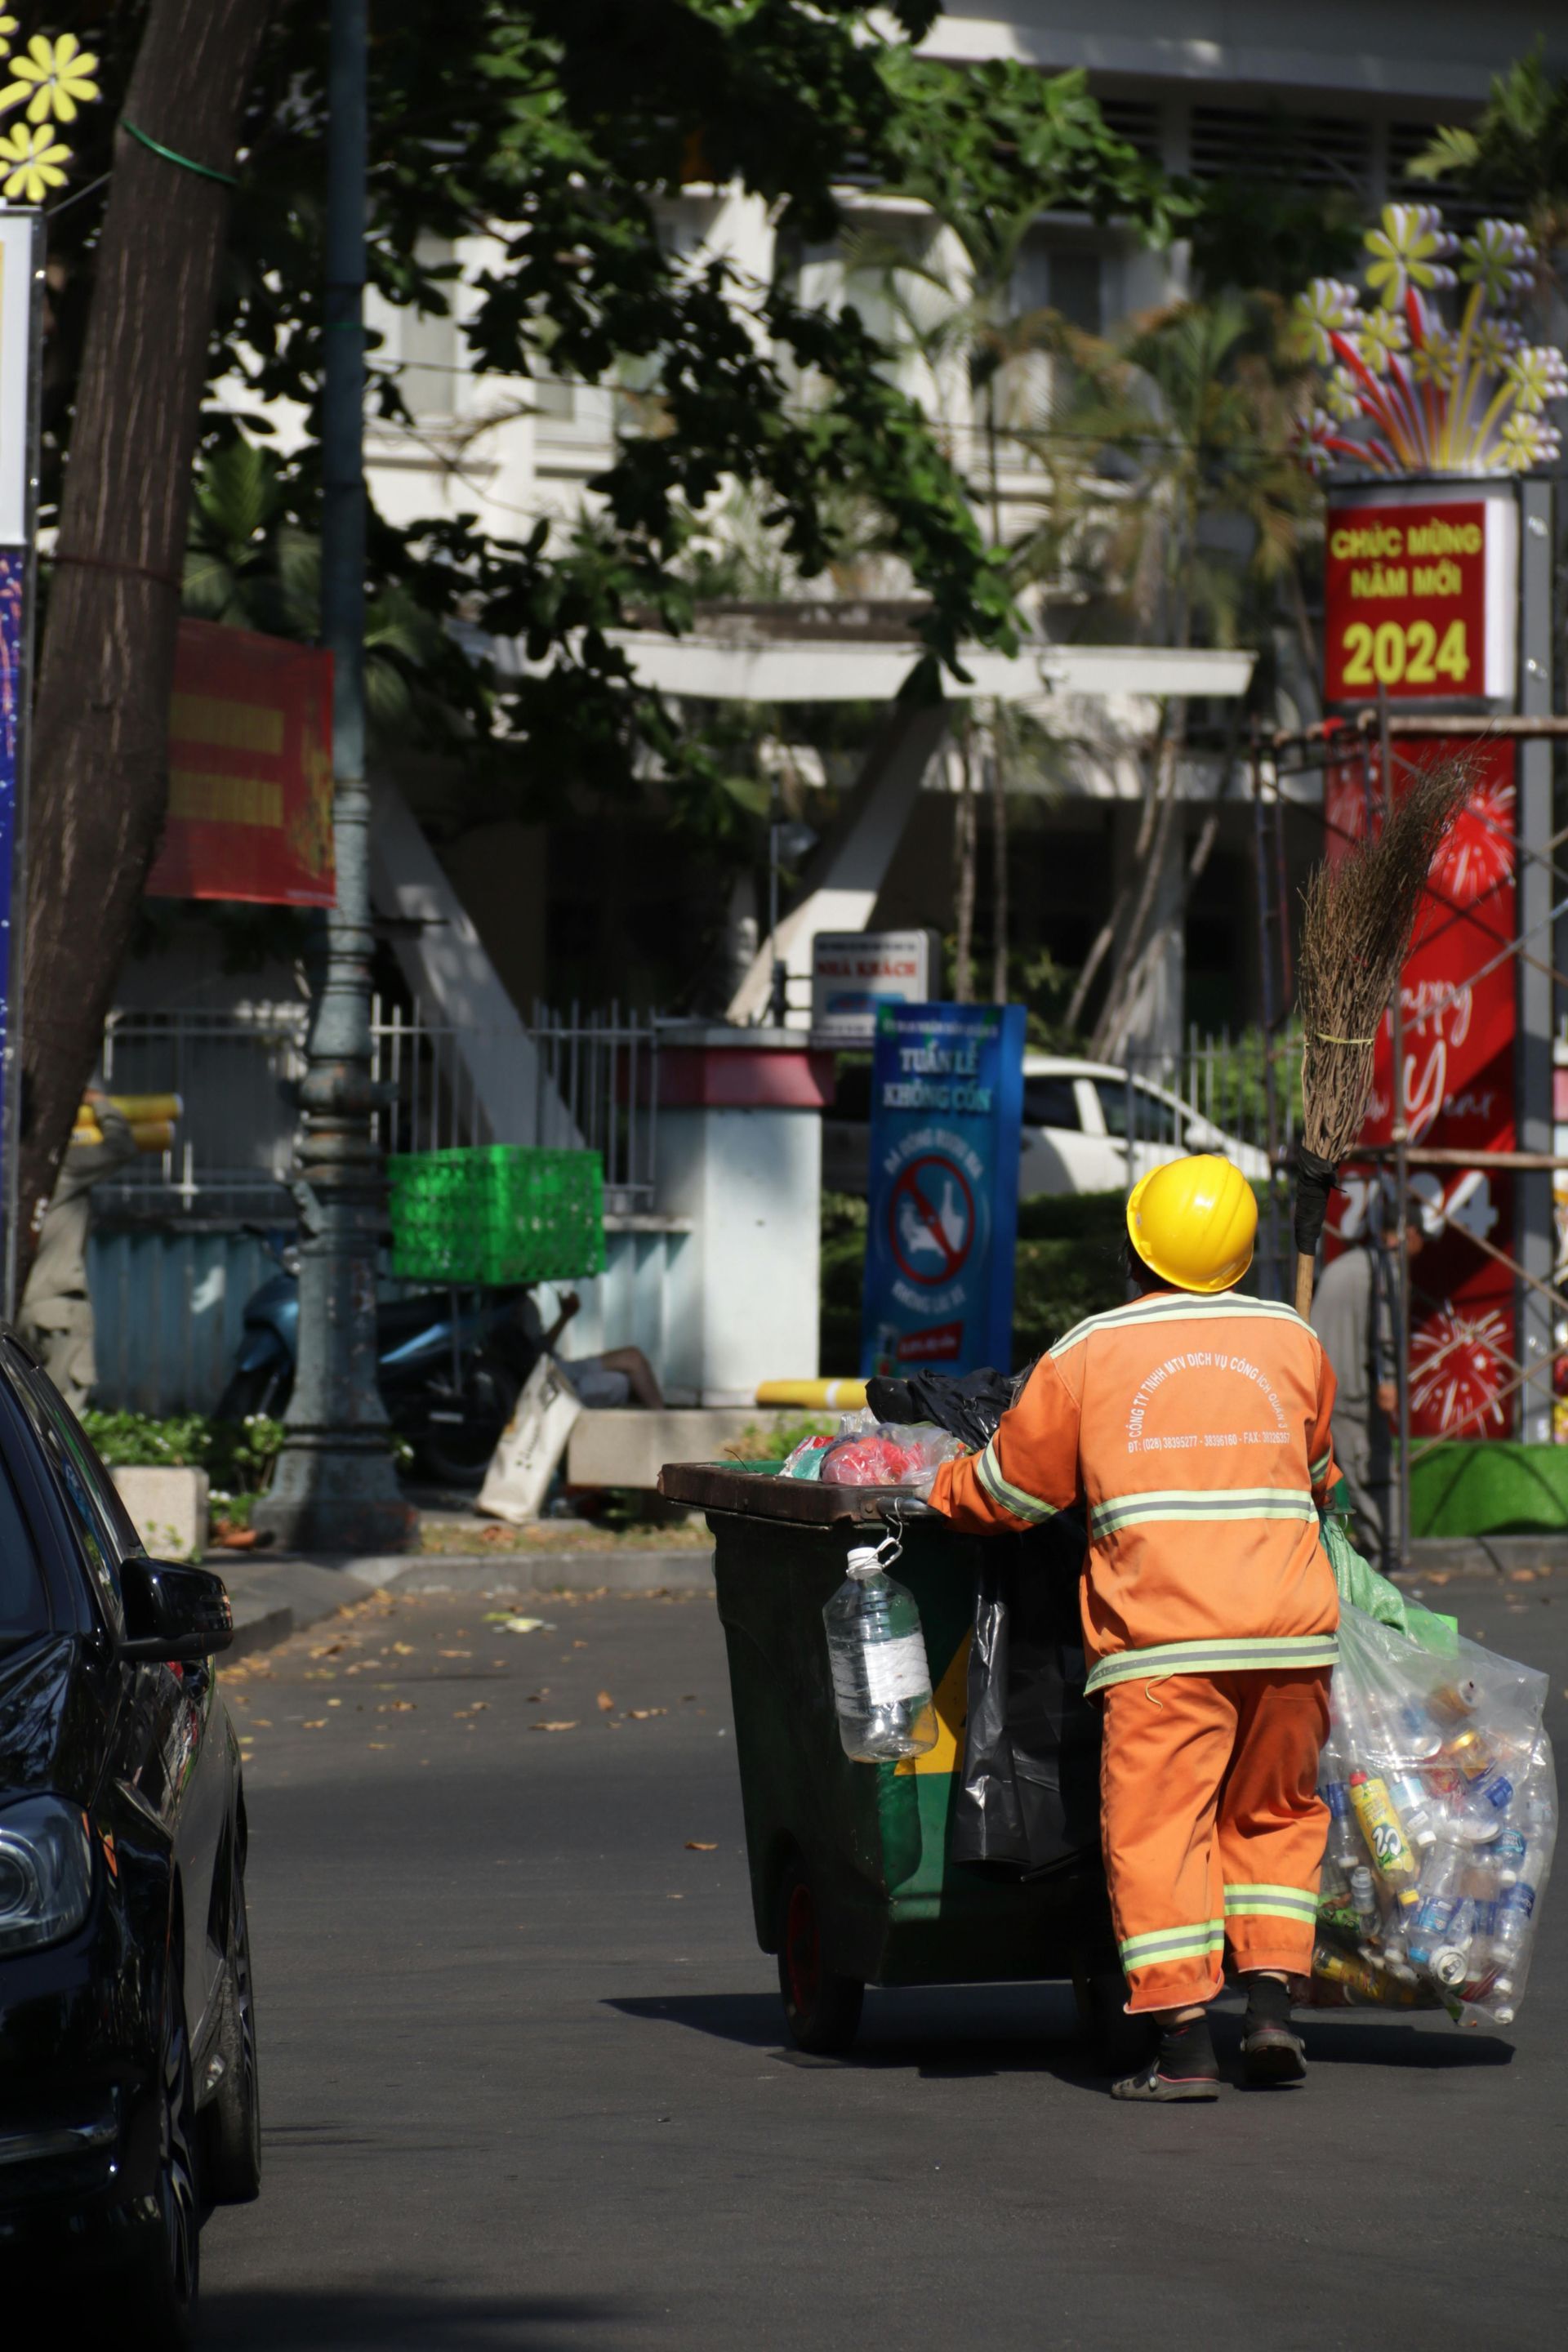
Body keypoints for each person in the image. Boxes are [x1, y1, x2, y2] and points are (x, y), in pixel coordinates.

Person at [927, 1155, 1339, 2101]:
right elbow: (1322, 1480)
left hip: (1167, 1644)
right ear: (1241, 1254)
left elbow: (1014, 1492)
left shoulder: (1091, 1352)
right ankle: (1270, 2011)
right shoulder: (1291, 1339)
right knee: (1274, 1817)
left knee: (1160, 1834)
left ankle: (1186, 2046)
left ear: (1133, 1245)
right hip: (1292, 1637)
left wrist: (939, 1486)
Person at [1309, 1199, 1422, 1574]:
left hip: (1328, 1383)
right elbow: (1386, 1334)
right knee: (1371, 1469)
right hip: (1354, 1390)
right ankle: (1385, 1548)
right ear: (1408, 1234)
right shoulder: (1385, 1269)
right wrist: (1388, 1380)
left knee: (1347, 1471)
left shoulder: (1349, 1264)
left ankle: (1375, 1545)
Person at [18, 1092, 139, 1411]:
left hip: (15, 1314)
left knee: (24, 1418)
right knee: (63, 1418)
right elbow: (121, 1147)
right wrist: (103, 1106)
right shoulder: (59, 1165)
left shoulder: (10, 1170)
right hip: (59, 1309)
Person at [516, 1287, 663, 1410]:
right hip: (550, 1381)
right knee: (624, 1376)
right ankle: (665, 1422)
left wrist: (564, 1316)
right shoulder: (508, 1309)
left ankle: (663, 1417)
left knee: (628, 1367)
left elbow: (541, 1346)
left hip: (558, 1367)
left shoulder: (526, 1304)